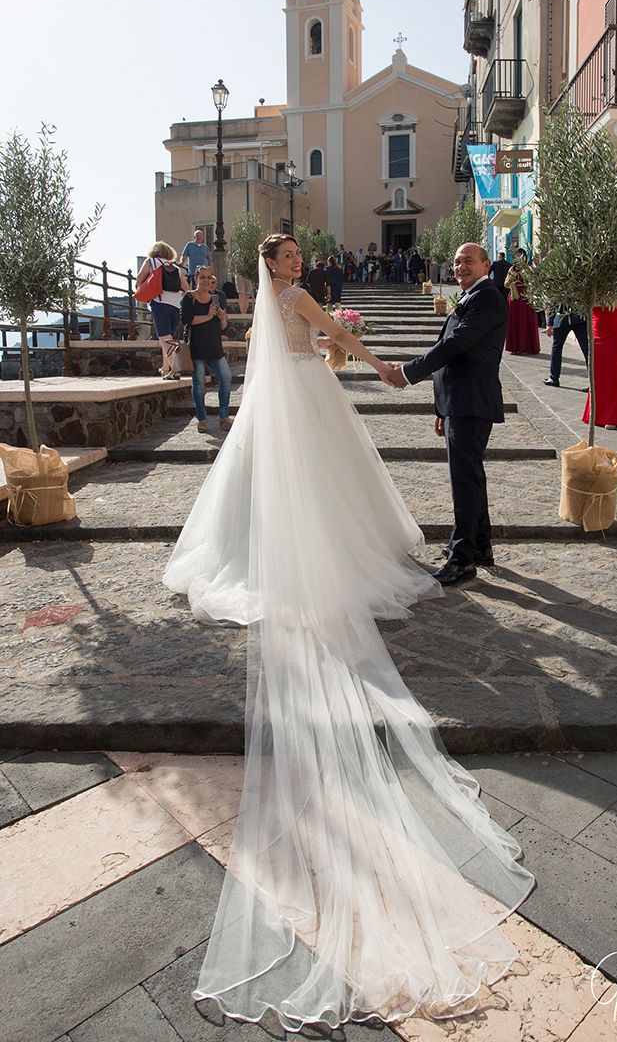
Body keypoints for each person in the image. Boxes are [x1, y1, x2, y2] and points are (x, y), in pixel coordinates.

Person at [162, 233, 533, 1032]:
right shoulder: (293, 299)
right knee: (332, 492)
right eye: (289, 254)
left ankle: (291, 552)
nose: (298, 261)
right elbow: (337, 336)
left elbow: (318, 332)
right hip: (311, 397)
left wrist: (372, 352)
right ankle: (366, 554)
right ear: (275, 267)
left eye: (298, 254)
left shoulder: (282, 302)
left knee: (300, 492)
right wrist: (374, 360)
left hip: (289, 399)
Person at [385, 244, 508, 586]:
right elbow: (452, 349)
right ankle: (480, 546)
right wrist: (441, 408)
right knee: (471, 477)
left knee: (464, 481)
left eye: (469, 260)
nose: (460, 266)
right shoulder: (470, 296)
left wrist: (408, 372)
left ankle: (462, 558)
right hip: (458, 402)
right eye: (456, 262)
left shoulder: (488, 298)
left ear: (486, 264)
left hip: (471, 402)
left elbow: (456, 345)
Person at [181, 266, 232, 433]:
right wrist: (209, 316)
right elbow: (187, 320)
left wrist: (222, 318)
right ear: (196, 278)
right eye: (202, 277)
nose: (206, 280)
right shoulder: (189, 298)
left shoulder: (216, 299)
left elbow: (223, 327)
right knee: (199, 385)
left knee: (226, 378)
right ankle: (201, 419)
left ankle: (224, 417)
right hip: (196, 348)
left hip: (215, 347)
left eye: (209, 277)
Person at [136, 242, 190, 378]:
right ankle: (165, 368)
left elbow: (139, 278)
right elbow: (186, 287)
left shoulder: (151, 262)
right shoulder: (175, 267)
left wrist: (143, 288)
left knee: (165, 339)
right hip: (177, 305)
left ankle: (175, 370)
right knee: (168, 338)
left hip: (160, 303)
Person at [582, 304, 617, 429]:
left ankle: (612, 417)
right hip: (597, 332)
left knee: (614, 373)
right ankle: (595, 414)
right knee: (597, 373)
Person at [543, 304, 589, 388]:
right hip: (579, 318)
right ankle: (593, 382)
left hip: (562, 318)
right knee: (587, 350)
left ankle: (554, 378)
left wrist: (550, 324)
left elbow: (553, 302)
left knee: (557, 347)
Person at [504, 250, 540, 356]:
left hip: (525, 299)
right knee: (514, 323)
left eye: (521, 255)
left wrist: (523, 274)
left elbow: (532, 280)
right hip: (514, 299)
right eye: (517, 255)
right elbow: (506, 284)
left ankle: (526, 347)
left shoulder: (528, 268)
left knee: (525, 323)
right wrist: (512, 277)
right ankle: (515, 347)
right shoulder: (511, 269)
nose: (519, 257)